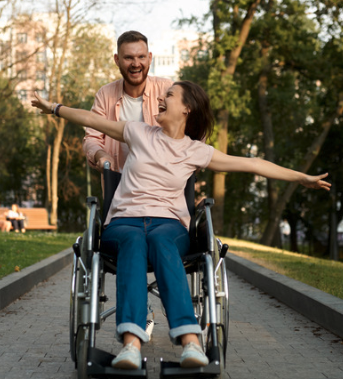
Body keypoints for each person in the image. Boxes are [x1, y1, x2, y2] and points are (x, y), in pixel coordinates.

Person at [31, 81, 330, 370]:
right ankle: (132, 346)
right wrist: (54, 108)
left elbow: (253, 163)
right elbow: (91, 118)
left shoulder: (196, 151)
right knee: (134, 244)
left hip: (169, 226)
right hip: (124, 222)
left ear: (186, 108)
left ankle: (191, 343)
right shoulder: (138, 133)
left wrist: (301, 178)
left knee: (161, 242)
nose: (161, 98)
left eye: (169, 95)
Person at [82, 31, 173, 339]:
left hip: (163, 190)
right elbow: (91, 137)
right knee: (131, 239)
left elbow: (192, 132)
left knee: (158, 237)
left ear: (150, 58)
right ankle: (137, 314)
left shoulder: (168, 90)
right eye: (129, 57)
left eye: (141, 57)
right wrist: (103, 157)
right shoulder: (106, 95)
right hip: (122, 186)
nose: (136, 64)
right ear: (117, 60)